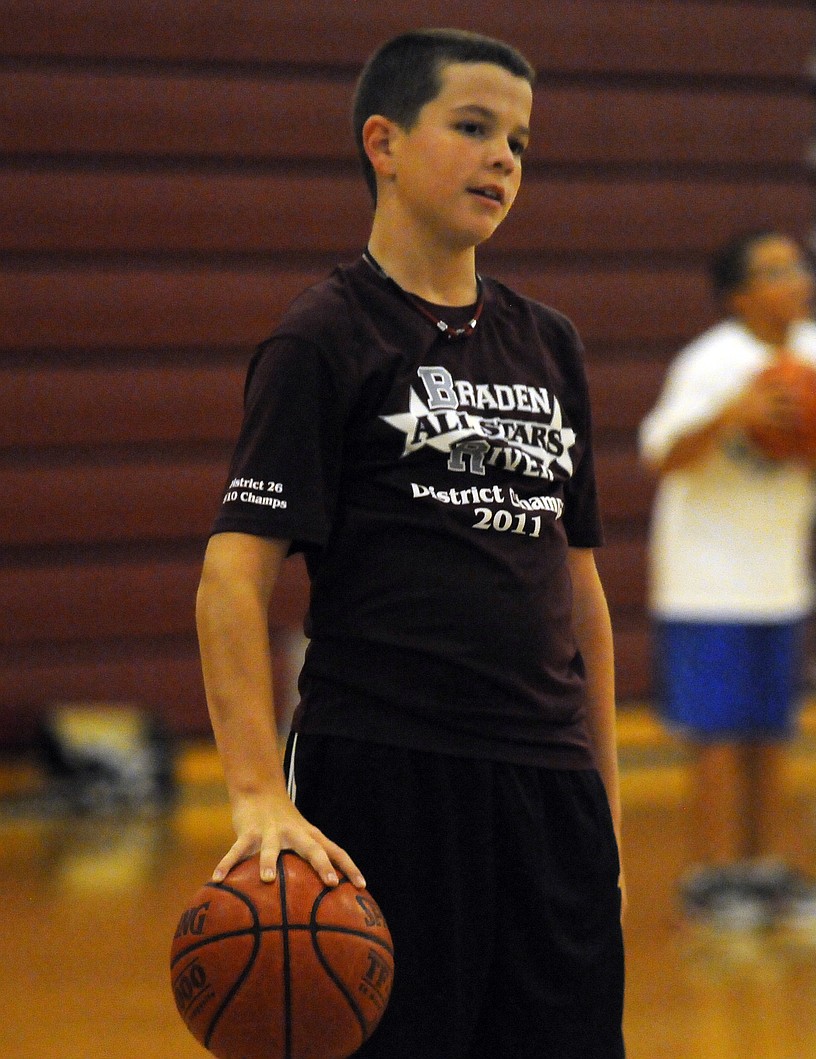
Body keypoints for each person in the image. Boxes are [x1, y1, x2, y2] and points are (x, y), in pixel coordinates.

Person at [196, 28, 625, 1058]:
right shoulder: (327, 335)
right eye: (472, 128)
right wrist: (256, 791)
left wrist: (600, 799)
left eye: (518, 141)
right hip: (386, 776)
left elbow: (580, 592)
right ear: (382, 142)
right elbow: (231, 575)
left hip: (547, 783)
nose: (501, 159)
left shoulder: (549, 342)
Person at [639, 229, 816, 931]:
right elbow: (663, 454)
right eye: (775, 270)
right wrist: (737, 416)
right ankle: (711, 874)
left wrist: (805, 432)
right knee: (718, 735)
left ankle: (762, 869)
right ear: (739, 296)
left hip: (777, 577)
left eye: (796, 266)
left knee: (770, 729)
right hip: (705, 579)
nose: (796, 279)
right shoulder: (712, 362)